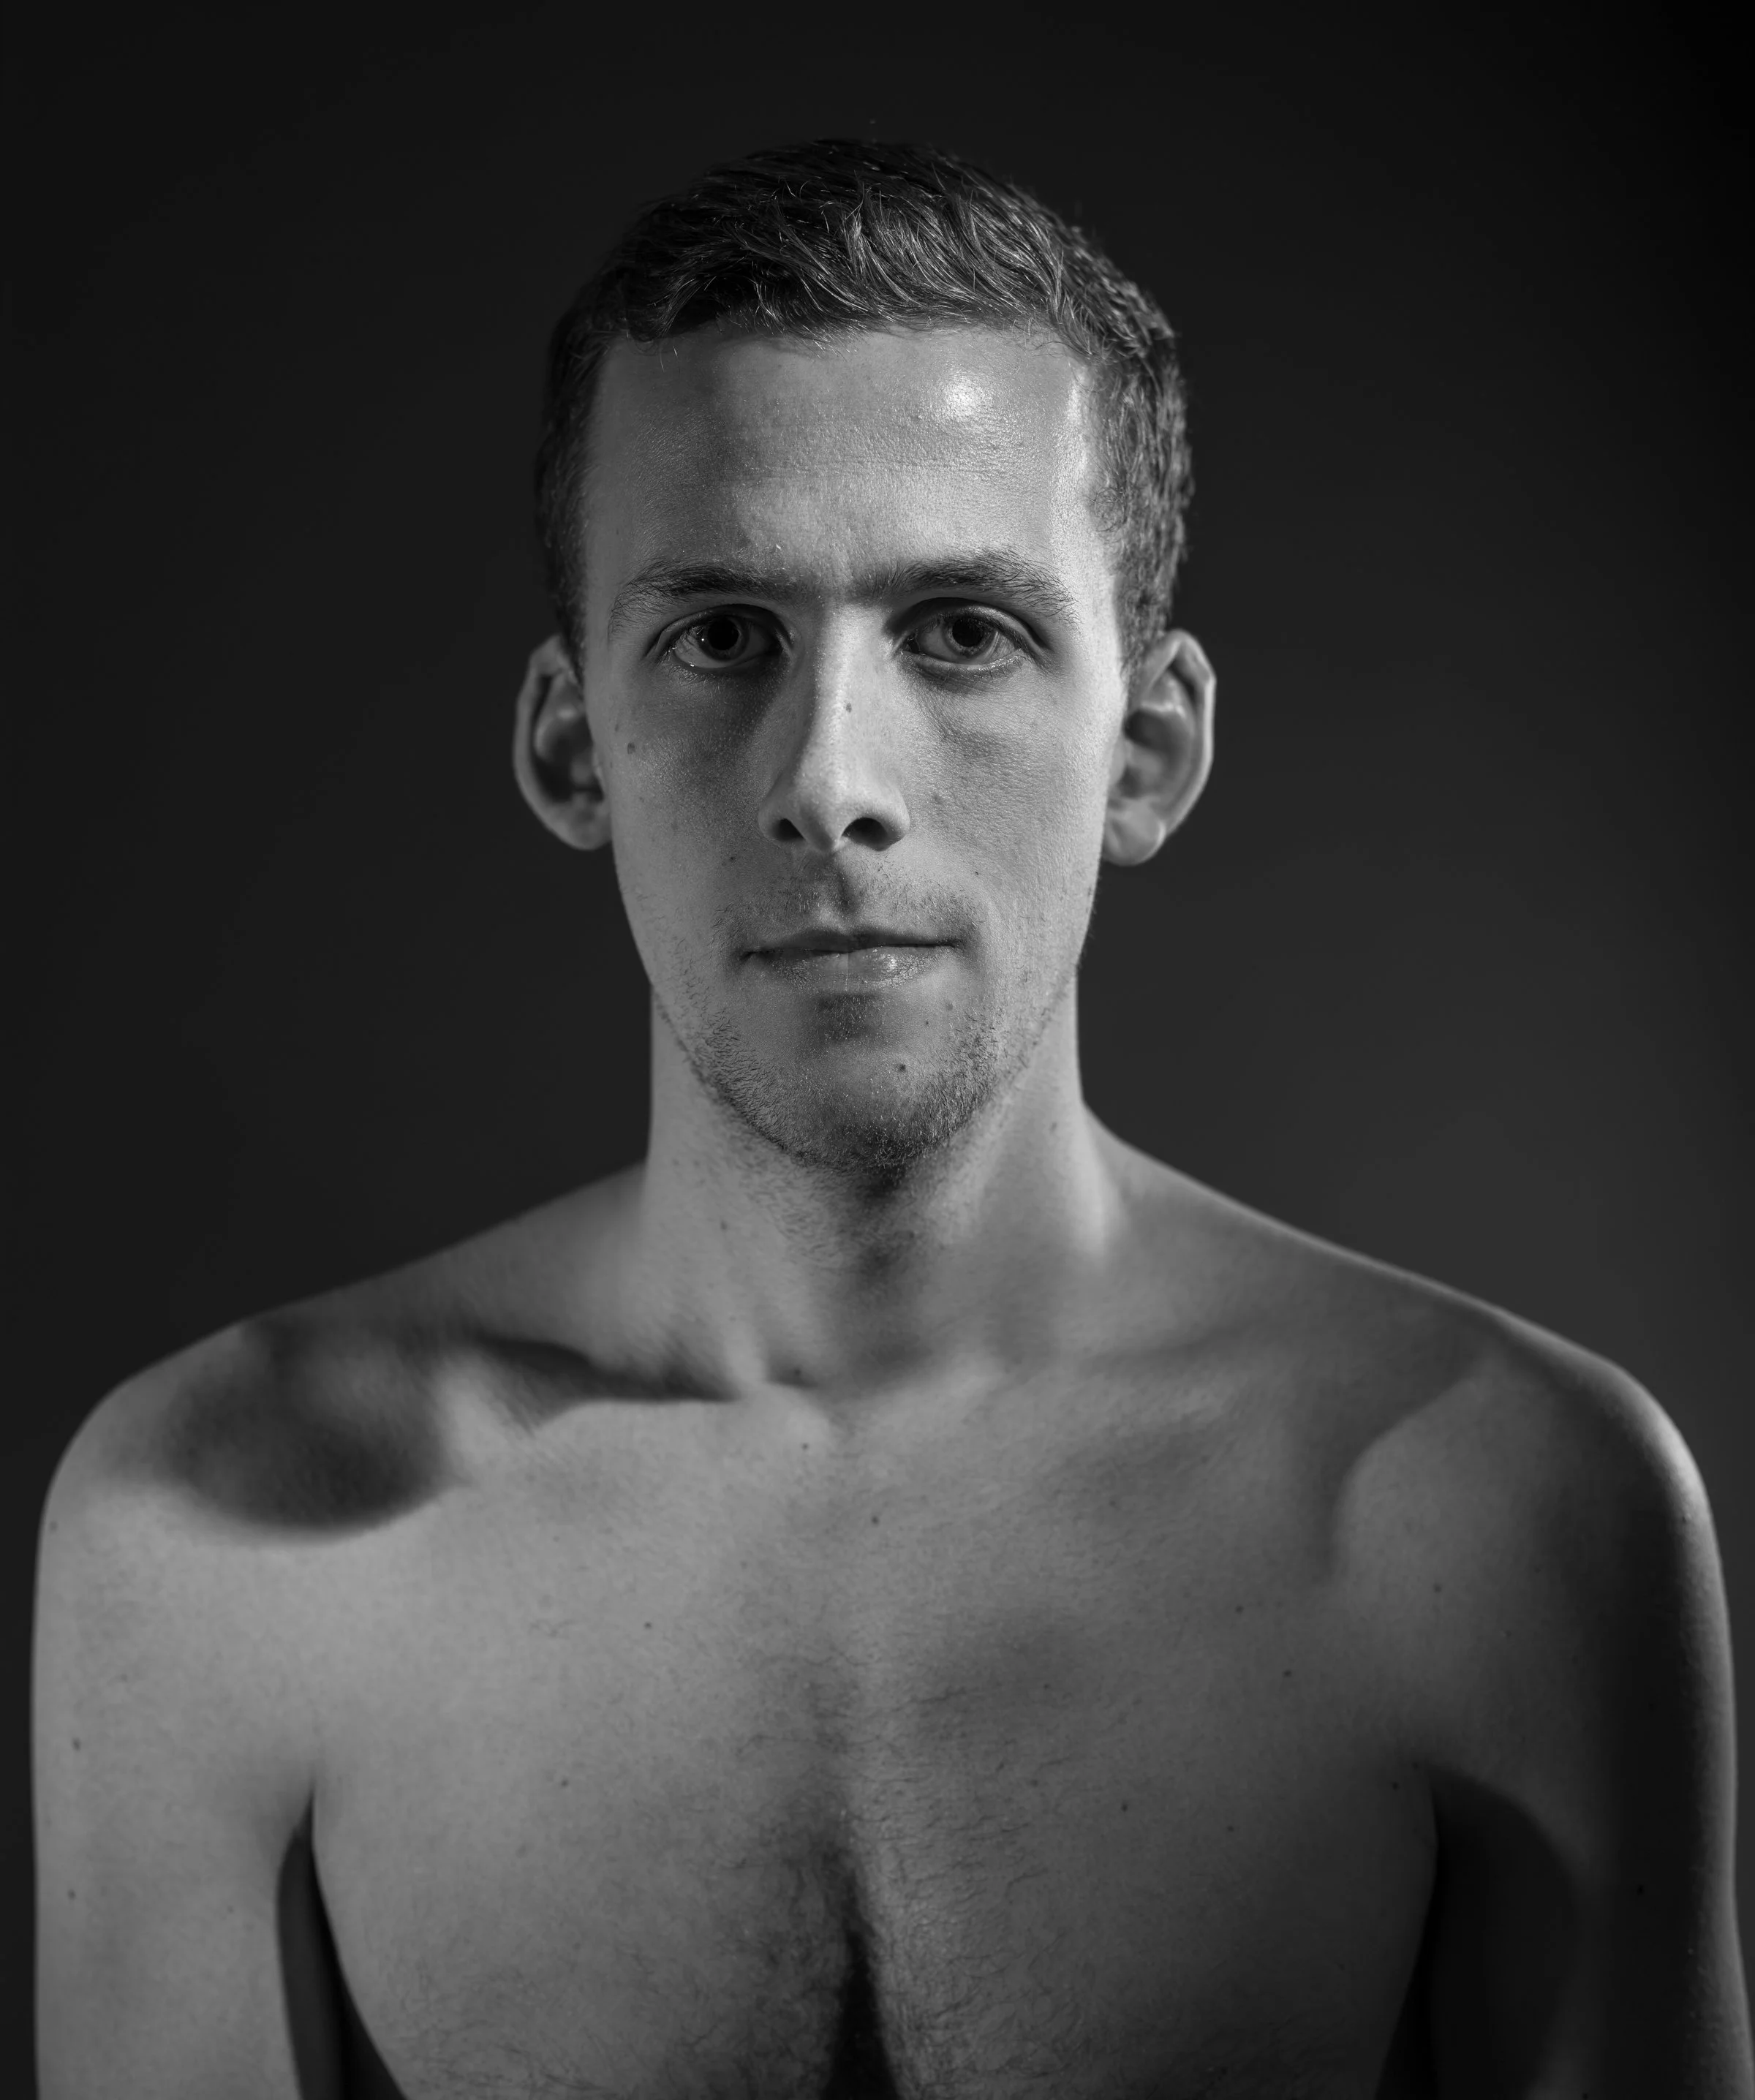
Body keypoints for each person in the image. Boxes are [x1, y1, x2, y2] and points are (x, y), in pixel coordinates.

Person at [32, 138, 1751, 2099]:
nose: (832, 777)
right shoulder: (212, 1542)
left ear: (1153, 744)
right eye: (719, 637)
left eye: (962, 632)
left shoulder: (1504, 1517)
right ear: (569, 742)